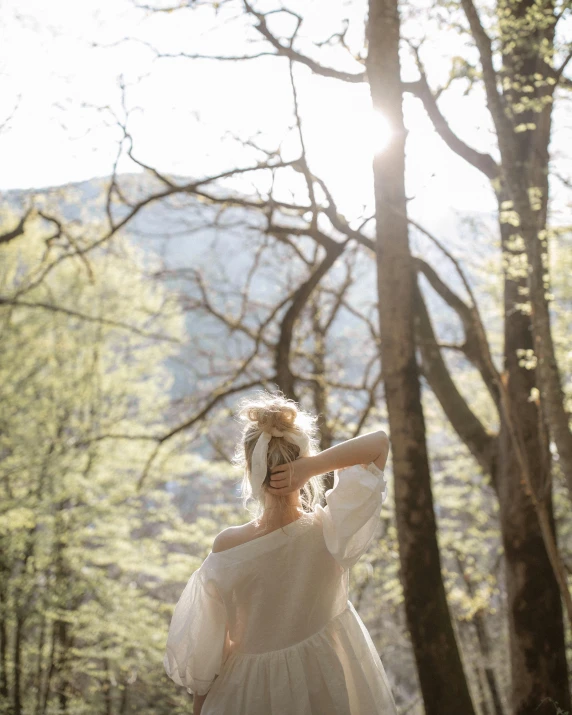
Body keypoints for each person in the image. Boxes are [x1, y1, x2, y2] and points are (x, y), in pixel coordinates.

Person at [163, 391, 398, 714]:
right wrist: (313, 467)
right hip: (327, 679)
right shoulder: (331, 531)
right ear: (302, 459)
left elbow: (208, 656)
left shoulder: (229, 546)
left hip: (248, 691)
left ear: (249, 468)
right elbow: (378, 444)